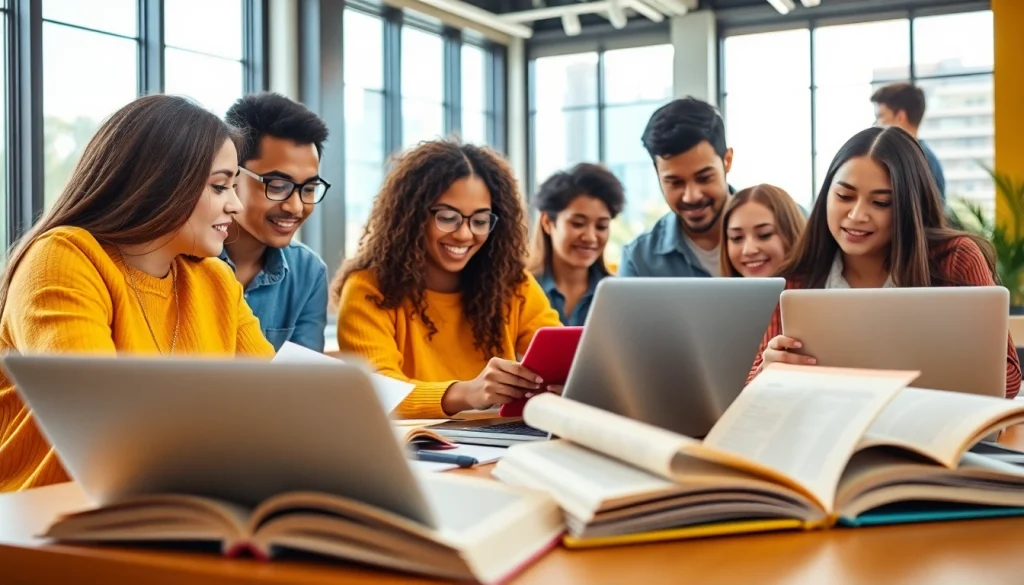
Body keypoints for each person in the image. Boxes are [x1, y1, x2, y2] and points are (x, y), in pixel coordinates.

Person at [0, 95, 276, 492]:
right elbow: (101, 423)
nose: (235, 205)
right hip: (44, 522)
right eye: (220, 186)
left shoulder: (215, 280)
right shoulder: (64, 257)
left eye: (234, 186)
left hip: (170, 502)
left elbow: (273, 411)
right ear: (161, 183)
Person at [747, 126, 1020, 399]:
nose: (856, 215)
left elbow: (1008, 380)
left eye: (880, 203)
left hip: (930, 431)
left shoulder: (955, 259)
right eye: (844, 196)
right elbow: (748, 391)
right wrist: (765, 373)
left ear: (908, 207)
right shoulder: (796, 278)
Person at [331, 140, 562, 419]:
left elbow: (559, 355)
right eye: (448, 217)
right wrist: (469, 393)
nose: (464, 234)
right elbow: (379, 391)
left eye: (479, 221)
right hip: (415, 448)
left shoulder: (513, 284)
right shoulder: (368, 289)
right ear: (412, 216)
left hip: (500, 441)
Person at [222, 93, 331, 352]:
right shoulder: (183, 259)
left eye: (308, 188)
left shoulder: (308, 272)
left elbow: (304, 381)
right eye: (278, 185)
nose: (294, 207)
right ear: (231, 175)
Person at [619, 97, 734, 278]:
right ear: (657, 174)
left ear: (727, 161)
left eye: (704, 178)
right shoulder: (639, 261)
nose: (691, 196)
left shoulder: (788, 227)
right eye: (675, 183)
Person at [526, 163, 625, 326]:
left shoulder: (619, 295)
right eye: (578, 223)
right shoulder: (520, 291)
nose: (590, 237)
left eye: (601, 226)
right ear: (547, 222)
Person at [870, 82, 946, 203]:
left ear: (900, 116)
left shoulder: (918, 160)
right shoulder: (923, 157)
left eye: (880, 116)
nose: (876, 124)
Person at [720, 184, 806, 278]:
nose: (749, 250)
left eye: (764, 235)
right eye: (736, 238)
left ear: (792, 234)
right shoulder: (719, 291)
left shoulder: (819, 289)